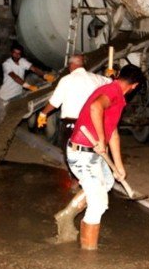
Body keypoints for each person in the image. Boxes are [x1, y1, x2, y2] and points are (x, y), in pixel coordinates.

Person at [58, 64, 144, 250]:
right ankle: (88, 256)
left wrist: (119, 167)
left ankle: (67, 213)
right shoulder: (112, 91)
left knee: (107, 182)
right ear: (135, 86)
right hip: (82, 153)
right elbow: (96, 107)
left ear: (120, 75)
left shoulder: (117, 96)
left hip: (93, 153)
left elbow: (113, 133)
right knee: (98, 204)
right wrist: (100, 138)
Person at [37, 54, 110, 191]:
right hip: (92, 123)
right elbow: (112, 83)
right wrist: (111, 74)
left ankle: (76, 181)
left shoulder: (67, 80)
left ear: (71, 65)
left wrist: (43, 113)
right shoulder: (96, 78)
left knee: (71, 152)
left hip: (72, 125)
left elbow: (54, 102)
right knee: (90, 152)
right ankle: (93, 180)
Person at [0, 44, 55, 122]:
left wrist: (45, 75)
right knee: (2, 122)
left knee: (12, 120)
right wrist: (29, 86)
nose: (16, 55)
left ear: (21, 54)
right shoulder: (7, 64)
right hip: (3, 99)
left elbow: (34, 69)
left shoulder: (22, 61)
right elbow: (15, 77)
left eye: (19, 53)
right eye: (15, 53)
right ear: (11, 53)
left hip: (16, 97)